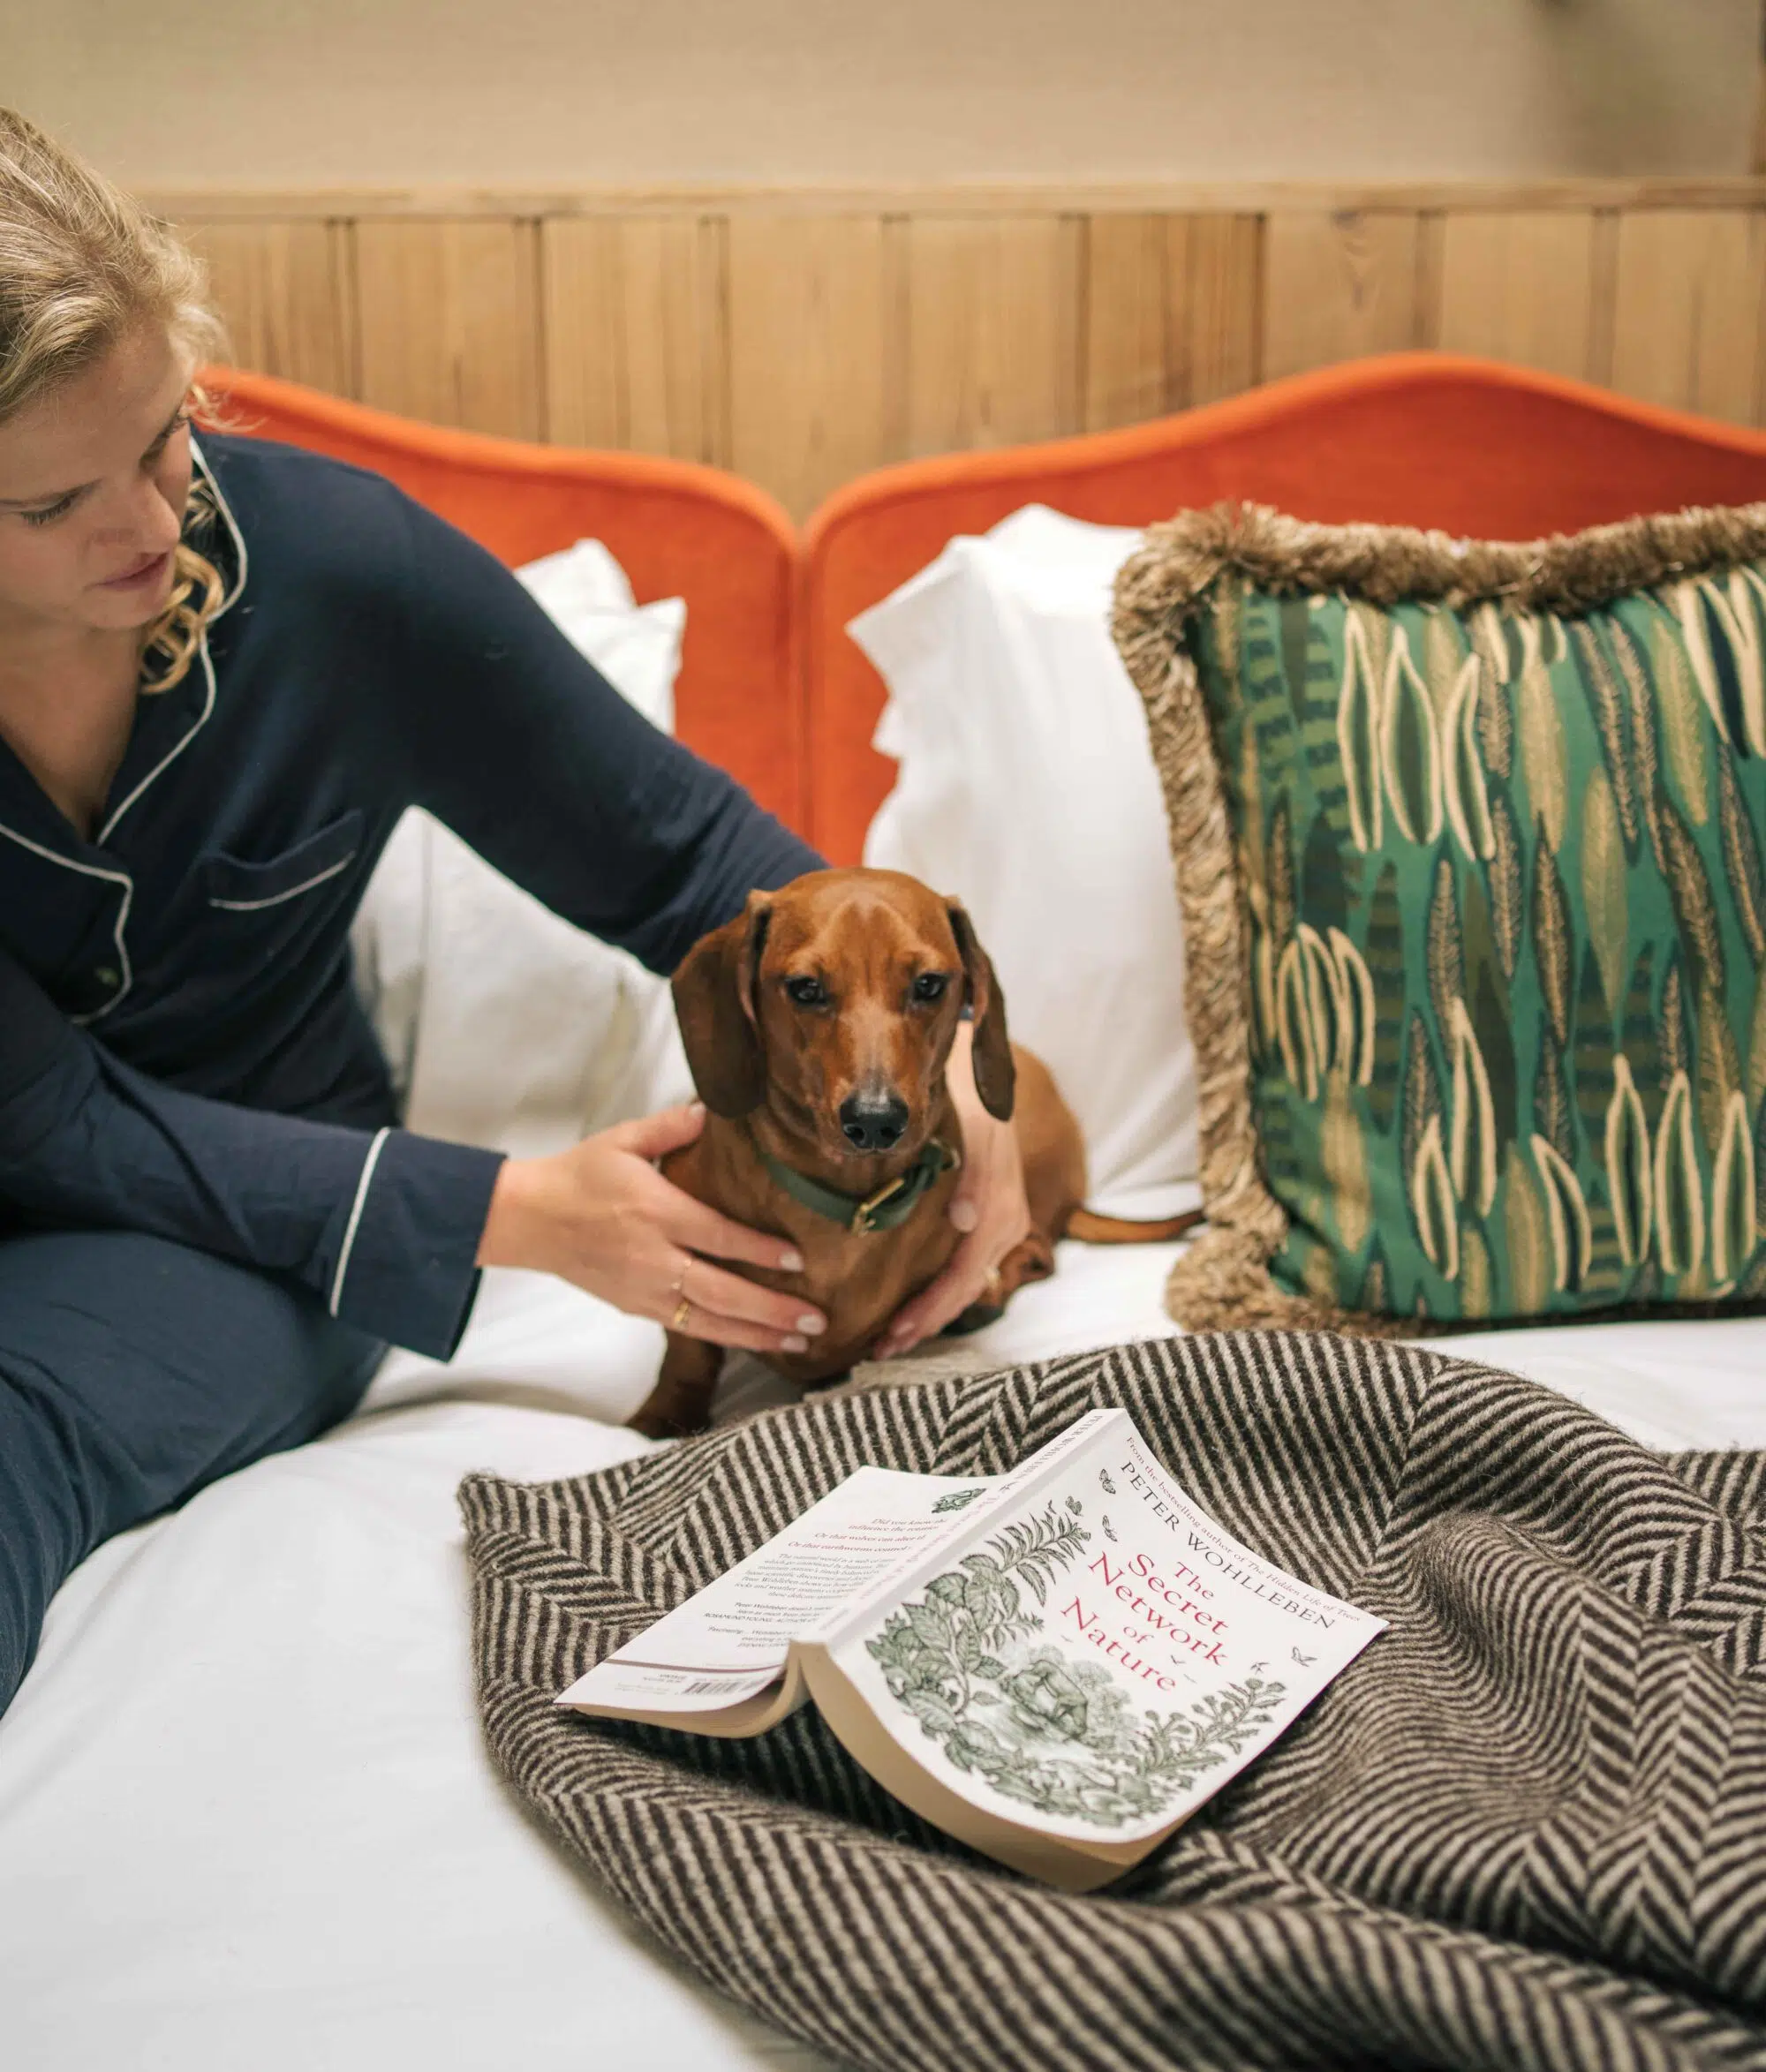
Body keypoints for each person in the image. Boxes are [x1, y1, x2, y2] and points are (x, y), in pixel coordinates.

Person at [0, 109, 1030, 1718]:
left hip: (252, 1236)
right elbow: (47, 1116)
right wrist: (519, 1210)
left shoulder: (339, 576)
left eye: (165, 435)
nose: (152, 523)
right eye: (57, 502)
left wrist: (965, 1086)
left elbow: (686, 859)